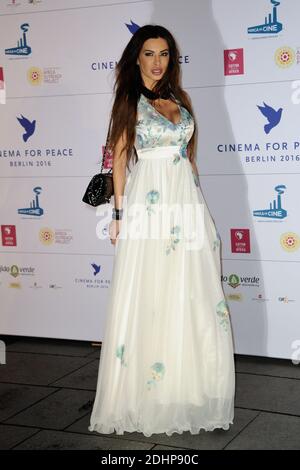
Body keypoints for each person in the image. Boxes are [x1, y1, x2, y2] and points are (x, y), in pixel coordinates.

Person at [89, 24, 235, 437]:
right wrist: (118, 216)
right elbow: (118, 162)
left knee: (191, 291)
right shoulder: (127, 102)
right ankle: (146, 393)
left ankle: (187, 386)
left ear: (172, 59)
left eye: (164, 54)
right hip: (149, 204)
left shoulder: (179, 99)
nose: (157, 62)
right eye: (150, 53)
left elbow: (189, 160)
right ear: (136, 58)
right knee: (153, 291)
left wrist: (200, 208)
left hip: (185, 202)